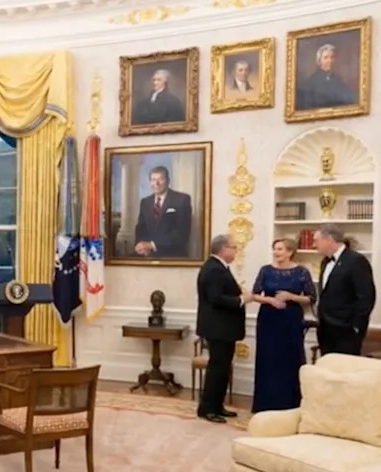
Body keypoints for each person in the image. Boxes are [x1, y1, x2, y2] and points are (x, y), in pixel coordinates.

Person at [250, 239, 315, 413]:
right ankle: (265, 403)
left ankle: (291, 404)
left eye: (279, 249)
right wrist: (270, 300)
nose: (276, 252)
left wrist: (291, 296)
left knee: (290, 358)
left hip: (291, 319)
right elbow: (254, 295)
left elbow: (311, 298)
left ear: (290, 252)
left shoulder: (301, 272)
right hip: (268, 319)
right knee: (268, 358)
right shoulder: (266, 270)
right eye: (274, 249)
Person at [196, 234, 252, 424]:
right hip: (218, 328)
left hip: (223, 328)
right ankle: (207, 408)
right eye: (233, 247)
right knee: (217, 368)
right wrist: (242, 299)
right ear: (223, 249)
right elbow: (216, 298)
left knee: (222, 368)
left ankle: (217, 405)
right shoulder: (214, 269)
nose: (236, 251)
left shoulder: (219, 267)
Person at [313, 224, 376, 355]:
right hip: (325, 329)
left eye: (316, 240)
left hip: (347, 331)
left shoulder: (356, 260)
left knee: (345, 372)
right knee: (327, 371)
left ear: (329, 239)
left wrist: (356, 326)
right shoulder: (325, 261)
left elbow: (366, 296)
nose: (314, 245)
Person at [133, 166, 192, 258]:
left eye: (160, 179)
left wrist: (152, 245)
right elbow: (141, 228)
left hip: (174, 258)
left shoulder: (182, 199)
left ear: (168, 181)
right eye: (153, 180)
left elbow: (182, 233)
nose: (156, 183)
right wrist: (141, 246)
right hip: (149, 257)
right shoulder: (145, 202)